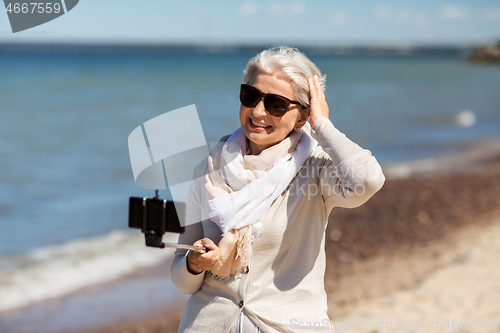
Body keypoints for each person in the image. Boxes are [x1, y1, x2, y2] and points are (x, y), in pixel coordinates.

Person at [171, 46, 385, 333]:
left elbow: (367, 180)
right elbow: (180, 277)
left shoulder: (316, 171)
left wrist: (322, 125)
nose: (258, 112)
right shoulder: (209, 168)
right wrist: (194, 263)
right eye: (250, 97)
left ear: (301, 117)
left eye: (276, 104)